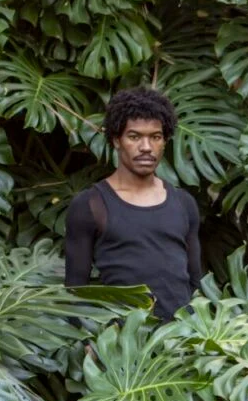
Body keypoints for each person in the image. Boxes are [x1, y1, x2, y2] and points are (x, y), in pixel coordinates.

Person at [64, 87, 204, 322]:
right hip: (122, 345)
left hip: (182, 342)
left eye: (155, 137)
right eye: (135, 136)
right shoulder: (91, 205)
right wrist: (88, 342)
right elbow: (76, 289)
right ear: (116, 140)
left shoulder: (183, 203)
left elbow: (196, 281)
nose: (146, 147)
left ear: (164, 142)